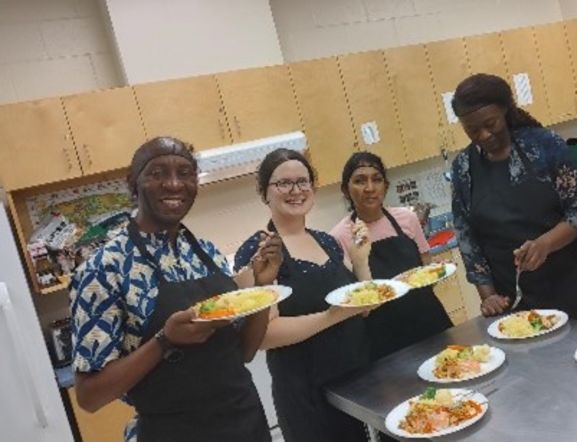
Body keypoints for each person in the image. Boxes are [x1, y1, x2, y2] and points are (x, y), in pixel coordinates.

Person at [70, 137, 280, 442]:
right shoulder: (103, 269)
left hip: (245, 423)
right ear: (133, 184)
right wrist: (164, 341)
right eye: (157, 173)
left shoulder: (206, 252)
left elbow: (243, 353)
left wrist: (262, 287)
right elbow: (89, 396)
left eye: (185, 173)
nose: (173, 184)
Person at [233, 148, 371, 442]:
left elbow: (362, 307)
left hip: (352, 384)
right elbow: (265, 335)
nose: (296, 190)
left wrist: (360, 261)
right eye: (284, 183)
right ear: (264, 192)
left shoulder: (327, 241)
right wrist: (331, 316)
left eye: (303, 181)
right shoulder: (259, 251)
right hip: (305, 395)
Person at [450, 73, 577, 319]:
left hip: (563, 283)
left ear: (505, 110)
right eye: (472, 129)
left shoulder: (546, 146)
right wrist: (489, 296)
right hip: (508, 293)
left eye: (490, 124)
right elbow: (467, 238)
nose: (484, 135)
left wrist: (544, 244)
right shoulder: (463, 168)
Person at [331, 152, 452, 361]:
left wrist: (438, 271)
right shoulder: (339, 237)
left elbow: (426, 270)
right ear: (345, 189)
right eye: (360, 180)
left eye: (377, 179)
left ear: (385, 186)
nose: (370, 188)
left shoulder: (407, 218)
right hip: (382, 337)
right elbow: (355, 300)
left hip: (429, 321)